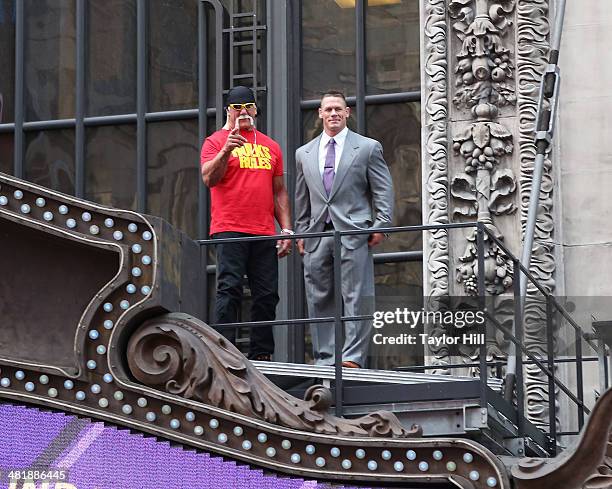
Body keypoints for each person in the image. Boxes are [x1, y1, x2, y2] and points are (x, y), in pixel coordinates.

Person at [294, 90, 394, 368]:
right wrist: (301, 232)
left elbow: (383, 190)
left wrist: (381, 225)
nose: (333, 114)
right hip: (316, 234)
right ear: (320, 114)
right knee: (318, 298)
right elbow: (301, 196)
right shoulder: (304, 153)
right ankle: (325, 357)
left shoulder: (367, 147)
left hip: (353, 231)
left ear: (347, 112)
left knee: (357, 296)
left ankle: (352, 357)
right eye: (328, 109)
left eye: (338, 109)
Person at [200, 86, 293, 361]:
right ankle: (223, 351)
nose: (243, 112)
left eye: (248, 107)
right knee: (229, 289)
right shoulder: (215, 141)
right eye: (237, 107)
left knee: (267, 294)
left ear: (256, 110)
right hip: (229, 226)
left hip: (263, 229)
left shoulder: (270, 145)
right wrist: (227, 150)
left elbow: (279, 191)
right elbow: (208, 179)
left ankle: (261, 354)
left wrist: (286, 228)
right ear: (228, 110)